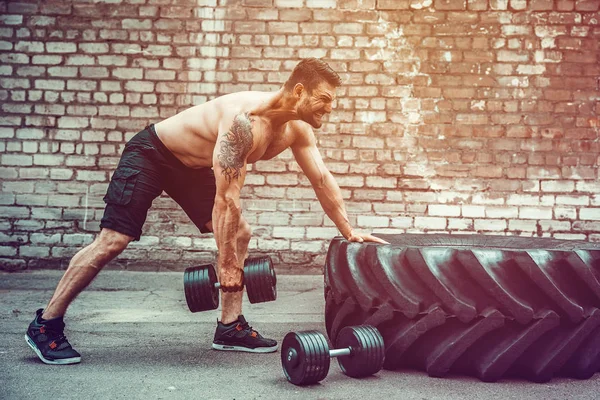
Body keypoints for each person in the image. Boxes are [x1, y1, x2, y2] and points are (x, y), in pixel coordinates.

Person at [25, 58, 389, 365]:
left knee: (240, 233)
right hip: (152, 154)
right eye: (324, 99)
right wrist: (228, 267)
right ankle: (46, 324)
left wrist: (348, 229)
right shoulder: (243, 123)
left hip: (192, 168)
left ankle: (230, 326)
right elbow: (226, 200)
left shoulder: (296, 131)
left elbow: (322, 179)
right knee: (114, 240)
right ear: (299, 92)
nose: (330, 107)